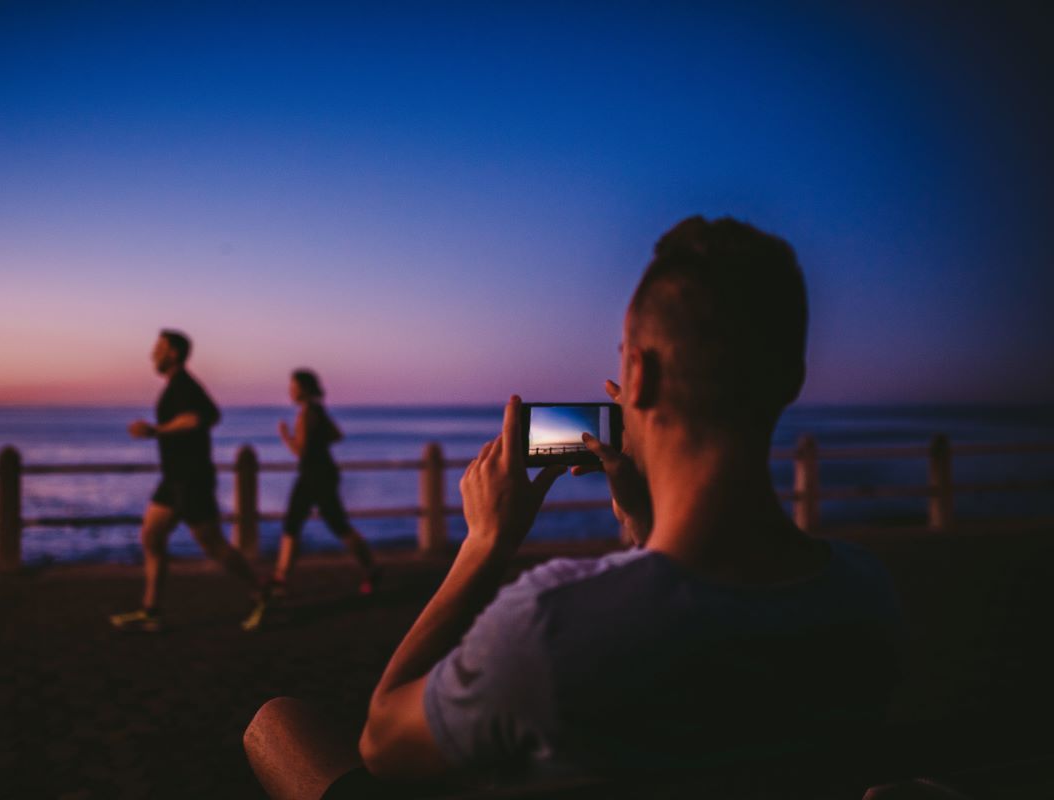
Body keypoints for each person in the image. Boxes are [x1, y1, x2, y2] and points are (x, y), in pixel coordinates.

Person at [244, 217, 902, 796]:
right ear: (792, 379)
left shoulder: (549, 622)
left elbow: (382, 744)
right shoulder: (867, 592)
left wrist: (484, 547)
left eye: (624, 363)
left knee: (278, 724)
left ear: (636, 377)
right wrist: (645, 530)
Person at [110, 329, 267, 633]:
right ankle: (151, 609)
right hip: (173, 479)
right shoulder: (181, 385)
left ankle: (261, 593)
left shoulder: (183, 384)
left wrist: (156, 431)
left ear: (173, 353)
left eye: (158, 347)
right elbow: (212, 415)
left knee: (214, 546)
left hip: (191, 479)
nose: (152, 353)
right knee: (151, 536)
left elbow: (196, 419)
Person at [269, 369, 380, 598]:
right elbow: (336, 435)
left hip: (312, 475)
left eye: (294, 386)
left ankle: (281, 577)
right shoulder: (318, 410)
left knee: (299, 524)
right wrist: (318, 442)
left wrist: (285, 435)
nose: (290, 391)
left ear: (304, 388)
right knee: (330, 524)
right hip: (324, 473)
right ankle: (370, 568)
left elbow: (300, 451)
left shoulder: (305, 414)